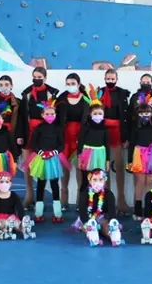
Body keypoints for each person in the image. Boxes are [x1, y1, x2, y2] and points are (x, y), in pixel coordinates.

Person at [16, 67, 59, 208]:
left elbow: (57, 117)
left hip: (47, 134)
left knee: (46, 165)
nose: (36, 79)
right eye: (34, 76)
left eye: (39, 76)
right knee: (27, 165)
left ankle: (49, 199)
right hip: (29, 132)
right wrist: (20, 135)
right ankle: (29, 194)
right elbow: (22, 117)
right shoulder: (26, 94)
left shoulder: (53, 94)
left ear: (45, 78)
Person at [24, 98, 69, 223]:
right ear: (42, 115)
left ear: (55, 115)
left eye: (52, 114)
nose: (50, 116)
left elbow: (61, 145)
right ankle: (38, 213)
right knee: (40, 185)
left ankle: (57, 213)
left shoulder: (57, 129)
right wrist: (41, 152)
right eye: (47, 114)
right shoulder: (38, 128)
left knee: (55, 185)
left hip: (53, 159)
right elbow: (33, 144)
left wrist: (54, 152)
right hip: (41, 159)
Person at [97, 69, 131, 214]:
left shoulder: (123, 94)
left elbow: (126, 116)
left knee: (118, 167)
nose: (110, 80)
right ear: (104, 78)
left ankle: (121, 200)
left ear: (116, 79)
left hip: (117, 132)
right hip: (102, 133)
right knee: (104, 168)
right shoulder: (99, 92)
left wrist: (126, 137)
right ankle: (106, 200)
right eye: (108, 78)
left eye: (112, 78)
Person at [127, 100, 152, 220]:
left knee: (150, 183)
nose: (145, 115)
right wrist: (130, 161)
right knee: (139, 182)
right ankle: (137, 211)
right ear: (138, 114)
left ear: (151, 114)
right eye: (142, 113)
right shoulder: (135, 129)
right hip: (138, 156)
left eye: (147, 113)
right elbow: (131, 145)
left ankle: (149, 210)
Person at [56, 73, 89, 208]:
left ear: (79, 84)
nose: (70, 86)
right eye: (68, 84)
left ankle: (79, 202)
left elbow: (89, 118)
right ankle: (63, 201)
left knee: (80, 169)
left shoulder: (86, 99)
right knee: (64, 170)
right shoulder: (62, 98)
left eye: (73, 83)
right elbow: (55, 118)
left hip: (81, 137)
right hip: (64, 137)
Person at [77, 88, 111, 193]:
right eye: (95, 114)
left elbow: (107, 145)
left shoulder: (105, 129)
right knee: (86, 179)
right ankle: (84, 203)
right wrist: (79, 158)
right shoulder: (85, 127)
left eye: (100, 113)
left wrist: (108, 160)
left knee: (99, 180)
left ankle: (98, 204)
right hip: (87, 154)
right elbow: (80, 142)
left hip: (100, 155)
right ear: (90, 115)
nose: (98, 116)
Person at [78, 169, 122, 247]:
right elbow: (82, 211)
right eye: (94, 180)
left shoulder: (109, 194)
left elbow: (112, 212)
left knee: (105, 225)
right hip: (88, 217)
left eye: (100, 180)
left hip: (102, 217)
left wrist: (112, 223)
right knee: (87, 226)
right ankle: (92, 236)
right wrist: (87, 223)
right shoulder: (84, 194)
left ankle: (113, 236)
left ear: (104, 181)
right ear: (90, 181)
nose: (97, 183)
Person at [0, 172, 35, 240]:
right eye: (2, 182)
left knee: (17, 223)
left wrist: (21, 218)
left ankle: (23, 229)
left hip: (11, 217)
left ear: (10, 184)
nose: (4, 184)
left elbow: (20, 208)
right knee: (2, 223)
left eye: (7, 182)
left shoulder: (13, 195)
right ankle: (4, 230)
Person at [128, 73, 152, 155]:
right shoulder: (134, 97)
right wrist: (129, 137)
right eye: (143, 82)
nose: (145, 84)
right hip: (138, 135)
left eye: (148, 82)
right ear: (140, 83)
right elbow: (129, 116)